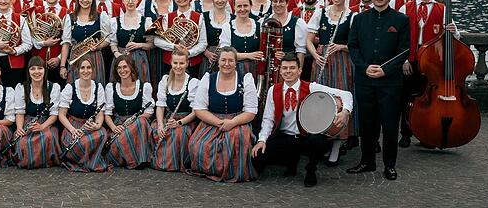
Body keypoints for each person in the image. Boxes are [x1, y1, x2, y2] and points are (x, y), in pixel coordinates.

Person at [252, 54, 353, 187]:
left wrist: (345, 111)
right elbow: (268, 119)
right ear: (280, 70)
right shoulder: (273, 90)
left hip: (305, 137)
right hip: (285, 136)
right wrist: (261, 140)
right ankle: (291, 162)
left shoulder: (311, 87)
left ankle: (311, 170)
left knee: (319, 141)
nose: (288, 71)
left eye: (292, 68)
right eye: (285, 68)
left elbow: (346, 94)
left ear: (299, 71)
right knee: (258, 156)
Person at [347, 0, 409, 181]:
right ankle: (367, 161)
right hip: (365, 80)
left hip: (390, 82)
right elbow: (353, 47)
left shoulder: (401, 20)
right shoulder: (359, 19)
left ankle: (390, 165)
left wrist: (385, 70)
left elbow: (404, 51)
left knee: (390, 124)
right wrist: (365, 68)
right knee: (367, 123)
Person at [398, 0, 459, 148]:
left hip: (432, 61)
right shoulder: (405, 8)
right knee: (407, 98)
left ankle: (425, 135)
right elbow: (399, 39)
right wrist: (404, 60)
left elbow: (457, 35)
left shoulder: (442, 9)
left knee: (428, 99)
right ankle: (406, 133)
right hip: (411, 59)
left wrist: (454, 31)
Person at [188, 47, 258, 182]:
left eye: (231, 60)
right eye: (223, 60)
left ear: (236, 62)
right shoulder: (208, 79)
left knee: (235, 141)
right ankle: (208, 170)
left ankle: (233, 171)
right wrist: (219, 122)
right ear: (218, 62)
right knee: (198, 145)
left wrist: (232, 122)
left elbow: (251, 111)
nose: (227, 64)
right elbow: (199, 109)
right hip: (213, 120)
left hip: (238, 121)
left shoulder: (246, 79)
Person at [305, 0, 355, 163]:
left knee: (340, 102)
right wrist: (315, 55)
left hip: (341, 62)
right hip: (322, 61)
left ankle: (336, 144)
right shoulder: (320, 13)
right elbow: (309, 40)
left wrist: (342, 46)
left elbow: (356, 45)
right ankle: (321, 139)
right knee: (320, 99)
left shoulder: (352, 16)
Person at [58, 58, 110, 172]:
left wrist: (97, 125)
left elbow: (100, 112)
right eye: (82, 68)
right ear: (78, 70)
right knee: (80, 142)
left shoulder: (98, 87)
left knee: (102, 134)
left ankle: (90, 160)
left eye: (88, 68)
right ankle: (85, 161)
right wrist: (72, 130)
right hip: (73, 125)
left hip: (90, 125)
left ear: (93, 70)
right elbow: (61, 115)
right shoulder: (70, 88)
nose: (85, 71)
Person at [151, 49, 199, 172]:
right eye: (175, 63)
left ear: (187, 63)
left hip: (185, 121)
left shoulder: (193, 83)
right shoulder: (165, 80)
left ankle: (173, 164)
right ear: (171, 62)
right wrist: (161, 124)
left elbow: (195, 112)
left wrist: (179, 123)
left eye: (181, 63)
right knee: (155, 130)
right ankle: (157, 159)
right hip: (169, 118)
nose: (178, 66)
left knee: (179, 134)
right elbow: (160, 106)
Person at [103, 55, 155, 168]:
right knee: (115, 145)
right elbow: (107, 114)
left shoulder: (144, 86)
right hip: (119, 125)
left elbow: (149, 112)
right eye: (119, 68)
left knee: (141, 121)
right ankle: (130, 159)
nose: (122, 70)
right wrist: (114, 128)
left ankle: (140, 160)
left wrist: (133, 122)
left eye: (125, 67)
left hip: (137, 126)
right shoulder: (111, 87)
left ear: (131, 67)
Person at [12, 57, 61, 169]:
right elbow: (19, 113)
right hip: (28, 121)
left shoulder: (53, 87)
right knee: (22, 140)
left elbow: (54, 114)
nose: (36, 72)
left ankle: (45, 161)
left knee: (48, 136)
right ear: (28, 72)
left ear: (45, 70)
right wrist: (19, 128)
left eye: (40, 68)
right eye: (32, 69)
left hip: (47, 122)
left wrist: (43, 126)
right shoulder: (21, 88)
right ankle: (28, 162)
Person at [59, 0, 111, 85]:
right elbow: (66, 44)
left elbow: (107, 39)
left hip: (95, 57)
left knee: (96, 86)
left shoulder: (101, 16)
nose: (85, 0)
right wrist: (62, 66)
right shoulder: (70, 18)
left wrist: (98, 46)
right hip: (76, 57)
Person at [153, 0, 208, 79]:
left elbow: (203, 43)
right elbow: (156, 41)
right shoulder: (166, 17)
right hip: (170, 62)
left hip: (192, 62)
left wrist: (189, 53)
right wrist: (174, 46)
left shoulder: (199, 17)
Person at [109, 0, 153, 83]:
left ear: (137, 0)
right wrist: (117, 54)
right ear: (123, 1)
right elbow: (113, 43)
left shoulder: (146, 21)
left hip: (139, 59)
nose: (130, 1)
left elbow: (151, 44)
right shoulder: (115, 21)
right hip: (120, 58)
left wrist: (139, 45)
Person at [139, 0, 173, 90]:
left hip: (172, 49)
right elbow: (138, 22)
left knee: (171, 78)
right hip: (153, 50)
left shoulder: (175, 3)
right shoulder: (146, 4)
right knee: (155, 78)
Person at [31, 0, 67, 85]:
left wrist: (59, 59)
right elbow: (31, 37)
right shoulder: (35, 12)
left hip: (56, 61)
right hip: (37, 61)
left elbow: (67, 40)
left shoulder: (67, 13)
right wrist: (44, 43)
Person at [219, 0, 263, 77]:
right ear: (234, 7)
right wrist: (249, 55)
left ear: (251, 6)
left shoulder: (259, 25)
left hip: (256, 70)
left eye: (245, 5)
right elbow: (225, 53)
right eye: (239, 6)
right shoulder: (227, 27)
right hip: (233, 70)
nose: (242, 9)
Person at [268, 0, 308, 66]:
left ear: (287, 3)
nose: (278, 4)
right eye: (275, 1)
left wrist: (298, 71)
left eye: (281, 1)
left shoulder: (298, 23)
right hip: (269, 68)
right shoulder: (265, 22)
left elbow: (300, 51)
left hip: (289, 67)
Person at [200, 0, 231, 74]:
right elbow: (198, 39)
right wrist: (206, 53)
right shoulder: (204, 17)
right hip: (208, 58)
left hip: (226, 58)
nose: (220, 1)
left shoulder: (233, 19)